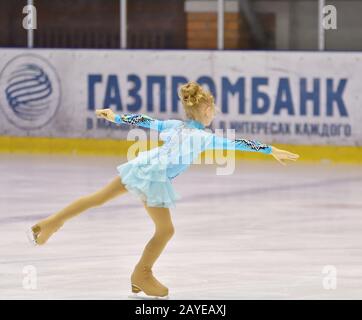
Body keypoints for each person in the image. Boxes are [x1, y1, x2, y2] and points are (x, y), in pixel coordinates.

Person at [27, 81, 299, 298]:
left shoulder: (174, 125)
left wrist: (116, 117)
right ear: (206, 111)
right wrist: (269, 149)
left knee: (97, 198)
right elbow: (237, 143)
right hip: (154, 177)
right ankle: (141, 274)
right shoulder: (205, 137)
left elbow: (144, 120)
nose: (213, 114)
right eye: (213, 110)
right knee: (166, 230)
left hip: (143, 165)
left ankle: (48, 223)